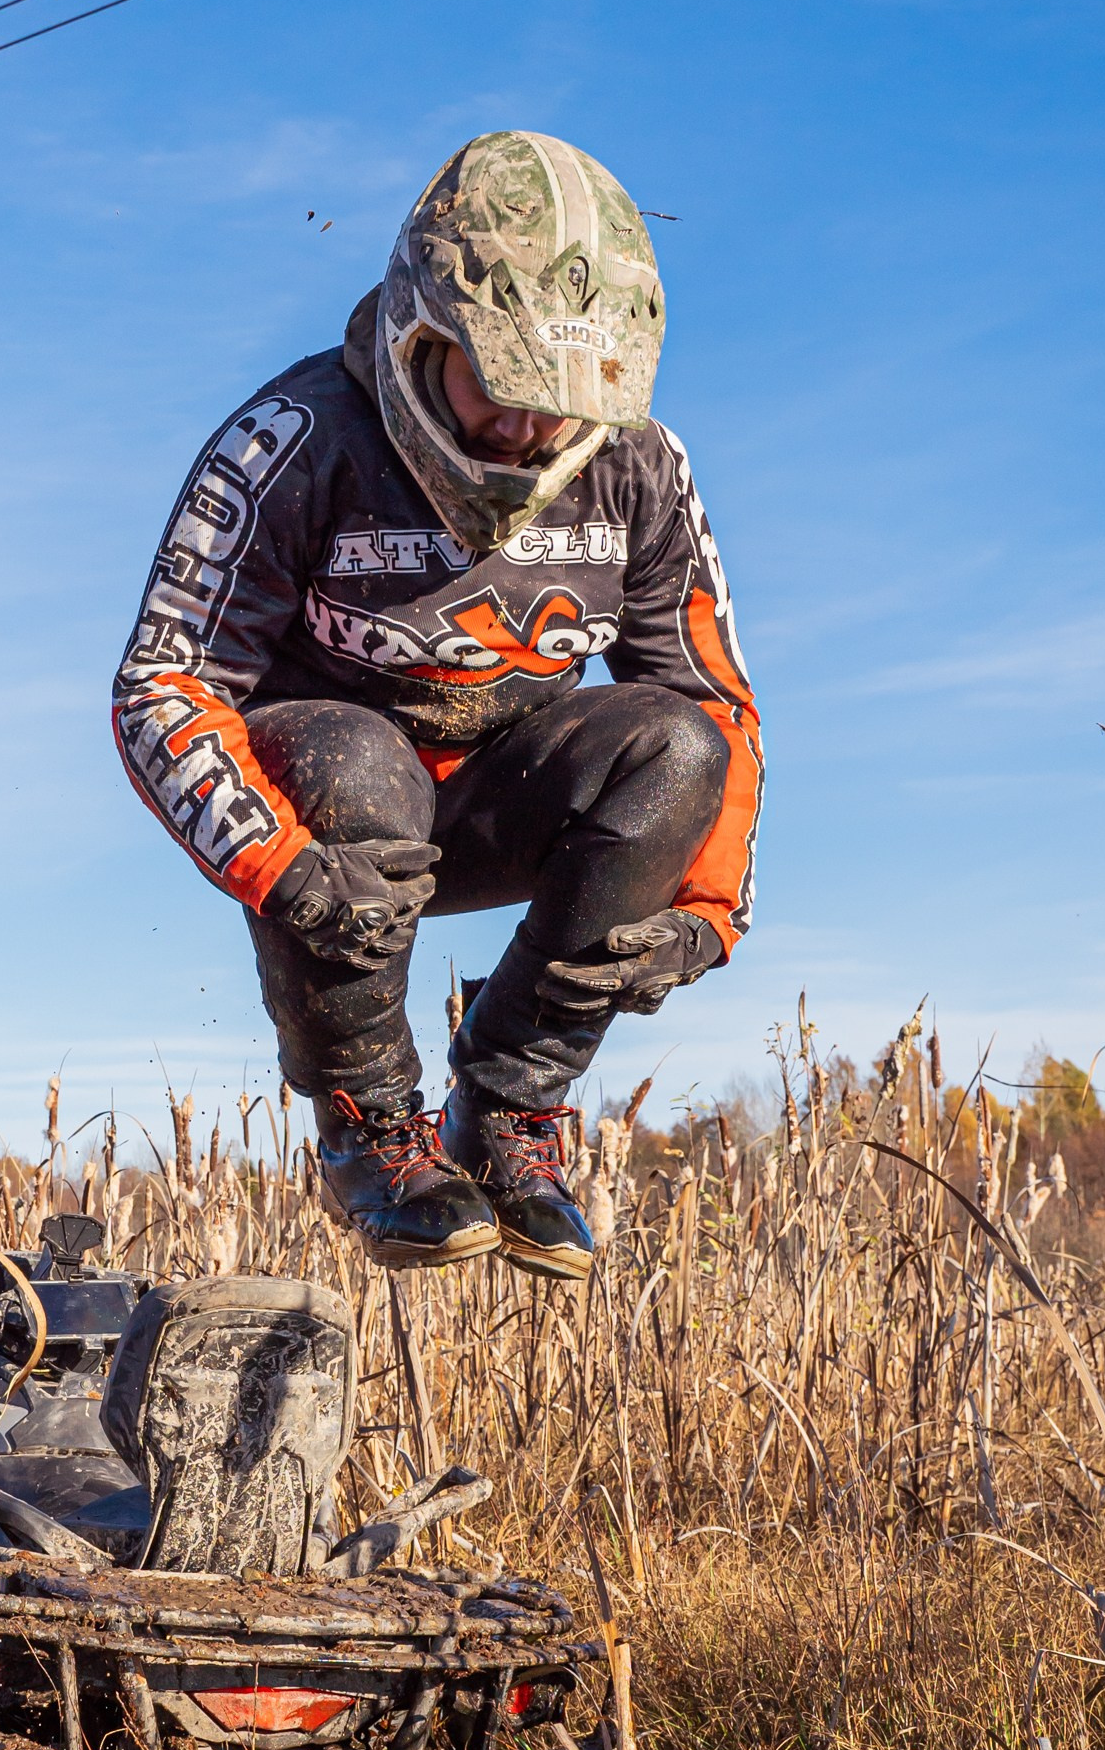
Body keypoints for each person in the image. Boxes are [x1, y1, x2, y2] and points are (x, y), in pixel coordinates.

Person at [112, 131, 761, 1276]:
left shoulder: (642, 468)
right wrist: (278, 868)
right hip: (327, 824)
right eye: (502, 391)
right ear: (424, 335)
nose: (527, 432)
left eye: (565, 403)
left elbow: (710, 693)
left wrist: (706, 913)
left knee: (677, 743)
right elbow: (164, 683)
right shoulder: (295, 438)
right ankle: (371, 1126)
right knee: (358, 757)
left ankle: (509, 1111)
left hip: (507, 800)